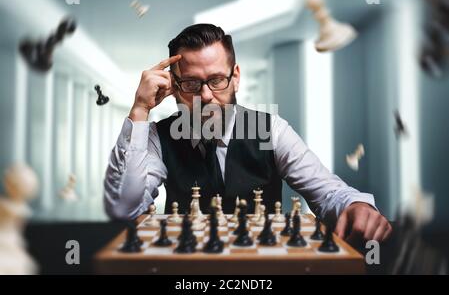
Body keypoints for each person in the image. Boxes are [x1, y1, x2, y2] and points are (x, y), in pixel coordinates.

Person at [104, 23, 392, 245]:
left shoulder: (272, 130)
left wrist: (354, 205)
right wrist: (140, 110)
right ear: (175, 86)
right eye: (191, 83)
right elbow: (124, 210)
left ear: (236, 77)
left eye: (216, 79)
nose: (206, 96)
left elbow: (328, 193)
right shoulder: (157, 136)